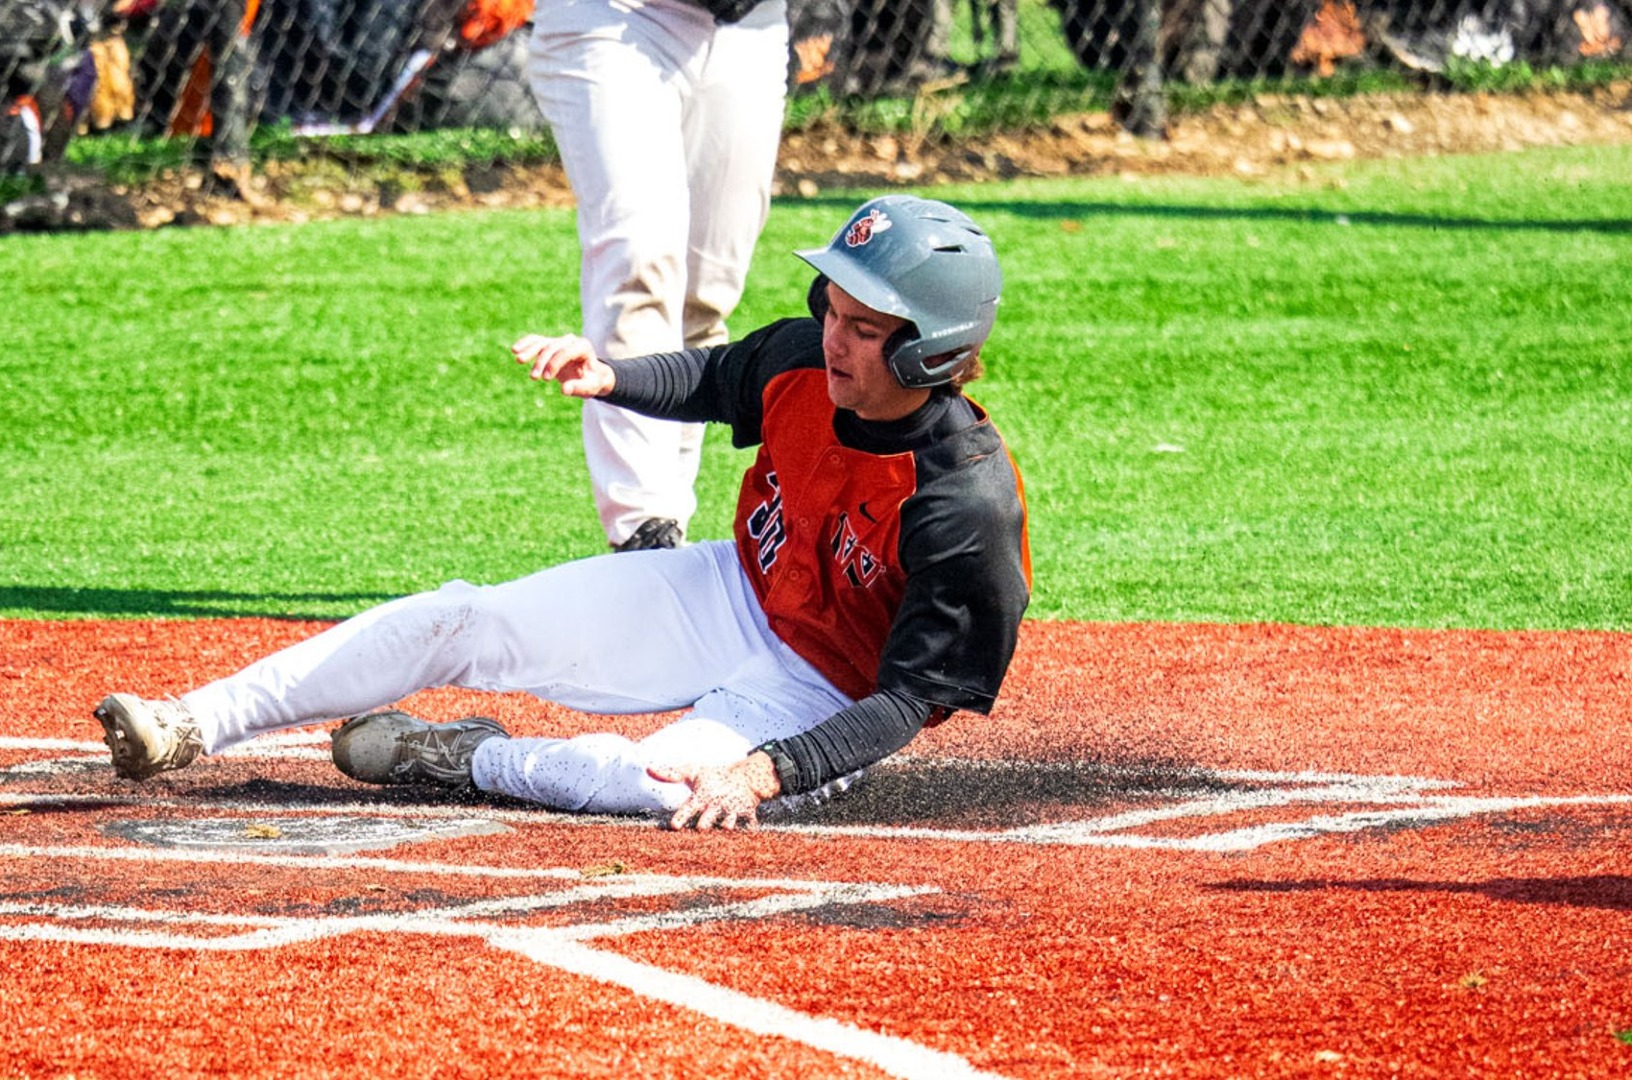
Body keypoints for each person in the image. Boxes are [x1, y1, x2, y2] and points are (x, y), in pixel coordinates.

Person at [92, 195, 1030, 830]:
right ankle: (189, 723)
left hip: (824, 692)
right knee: (461, 615)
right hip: (729, 592)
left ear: (928, 354)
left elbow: (908, 699)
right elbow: (713, 375)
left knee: (663, 787)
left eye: (864, 329)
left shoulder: (963, 502)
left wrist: (768, 770)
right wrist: (612, 374)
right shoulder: (800, 360)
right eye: (833, 308)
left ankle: (461, 759)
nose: (834, 336)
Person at [526, 0, 791, 552]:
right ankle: (644, 529)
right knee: (638, 254)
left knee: (705, 294)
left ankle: (667, 524)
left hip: (749, 25)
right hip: (613, 16)